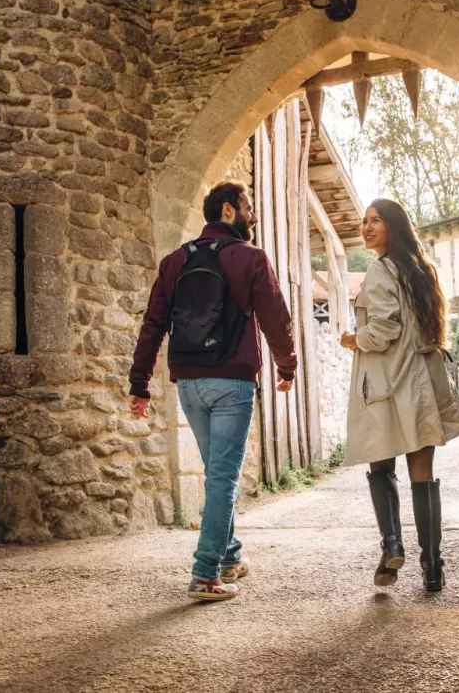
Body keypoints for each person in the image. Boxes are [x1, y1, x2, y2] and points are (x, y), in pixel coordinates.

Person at [128, 179, 296, 602]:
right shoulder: (250, 258)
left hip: (189, 384)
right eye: (248, 207)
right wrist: (286, 366)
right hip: (231, 383)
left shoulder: (173, 262)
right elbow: (276, 317)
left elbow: (153, 325)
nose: (253, 216)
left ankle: (230, 558)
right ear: (227, 211)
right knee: (222, 477)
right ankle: (204, 574)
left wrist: (140, 384)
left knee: (216, 476)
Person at [339, 198, 459, 592]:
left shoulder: (379, 271)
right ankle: (433, 567)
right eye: (364, 222)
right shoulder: (422, 270)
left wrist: (352, 339)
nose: (366, 227)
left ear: (393, 226)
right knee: (422, 473)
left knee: (381, 466)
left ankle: (392, 546)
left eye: (375, 221)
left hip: (386, 383)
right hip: (423, 382)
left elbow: (382, 333)